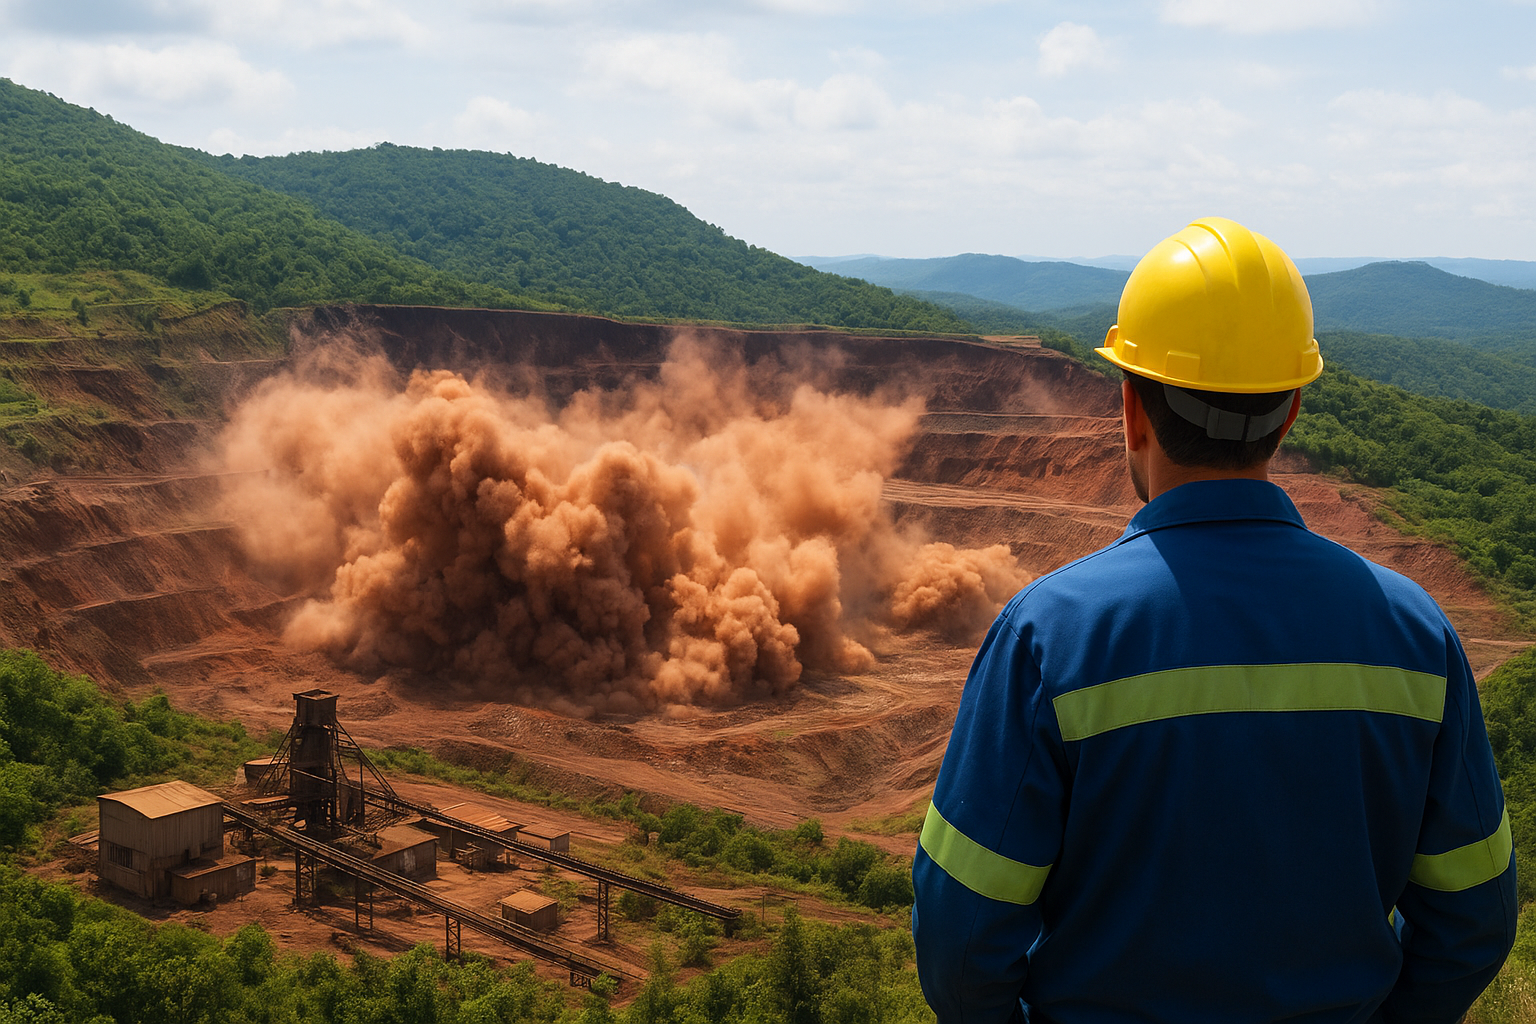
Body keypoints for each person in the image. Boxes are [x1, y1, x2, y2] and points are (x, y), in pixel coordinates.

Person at [911, 217, 1517, 1023]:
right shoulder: (1416, 634)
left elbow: (960, 947)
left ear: (1130, 408)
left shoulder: (1047, 636)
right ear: (1293, 410)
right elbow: (1473, 920)